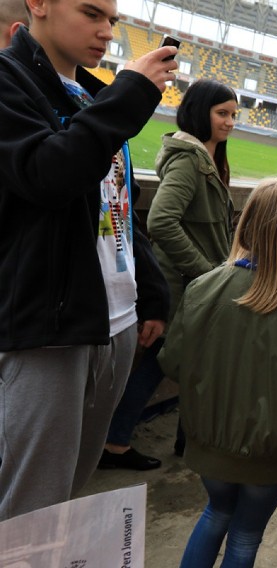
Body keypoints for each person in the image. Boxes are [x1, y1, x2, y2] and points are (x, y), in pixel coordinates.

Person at [0, 0, 175, 520]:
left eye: (113, 22)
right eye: (92, 13)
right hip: (50, 329)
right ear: (40, 5)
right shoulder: (10, 82)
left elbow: (118, 205)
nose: (106, 32)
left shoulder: (90, 98)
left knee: (67, 493)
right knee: (29, 507)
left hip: (114, 321)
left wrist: (152, 292)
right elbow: (47, 174)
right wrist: (132, 94)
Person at [158, 176, 277, 568]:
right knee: (245, 535)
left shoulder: (204, 286)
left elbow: (171, 363)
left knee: (215, 514)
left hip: (206, 445)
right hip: (270, 456)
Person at [99, 78, 238, 469]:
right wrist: (204, 271)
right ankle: (116, 443)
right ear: (200, 112)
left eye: (233, 115)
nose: (229, 122)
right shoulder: (189, 159)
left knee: (181, 362)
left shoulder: (206, 157)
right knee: (164, 361)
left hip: (194, 285)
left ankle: (174, 441)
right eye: (222, 114)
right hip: (183, 286)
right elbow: (161, 221)